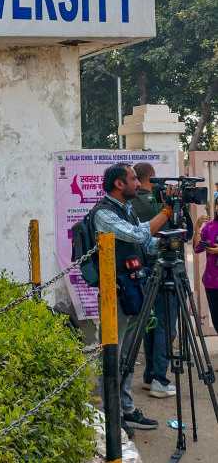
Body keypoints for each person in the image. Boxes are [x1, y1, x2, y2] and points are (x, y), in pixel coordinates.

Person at [93, 163, 173, 431]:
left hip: (131, 289)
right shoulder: (104, 214)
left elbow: (145, 243)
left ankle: (125, 408)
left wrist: (168, 237)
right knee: (113, 355)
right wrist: (165, 212)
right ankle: (109, 417)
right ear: (119, 184)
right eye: (133, 179)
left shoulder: (125, 210)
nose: (138, 184)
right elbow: (138, 234)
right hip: (114, 293)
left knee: (128, 354)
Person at [130, 162, 177, 399]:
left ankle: (150, 376)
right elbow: (180, 231)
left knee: (151, 324)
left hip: (142, 272)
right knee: (165, 326)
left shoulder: (130, 205)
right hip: (162, 269)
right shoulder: (157, 205)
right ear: (152, 178)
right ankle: (160, 378)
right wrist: (172, 205)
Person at [193, 212, 218, 332]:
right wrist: (197, 227)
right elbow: (197, 248)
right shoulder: (209, 227)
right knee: (217, 321)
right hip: (212, 282)